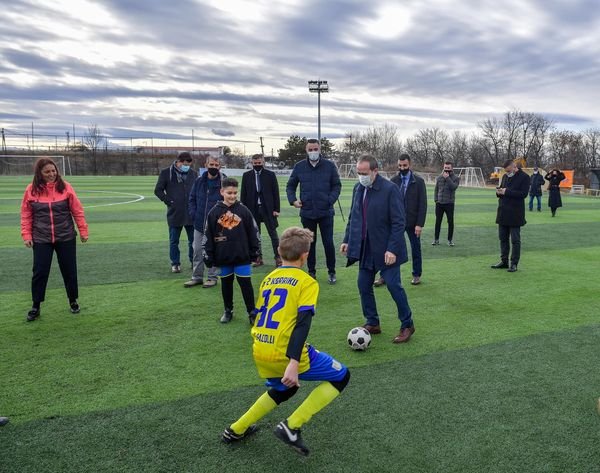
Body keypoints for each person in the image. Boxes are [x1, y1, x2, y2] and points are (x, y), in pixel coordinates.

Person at [221, 227, 350, 456]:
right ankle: (292, 426)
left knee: (284, 389)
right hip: (284, 351)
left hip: (260, 349)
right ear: (305, 256)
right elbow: (302, 324)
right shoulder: (306, 282)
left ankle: (236, 429)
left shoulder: (268, 279)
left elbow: (259, 315)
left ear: (279, 252)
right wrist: (293, 361)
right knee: (341, 375)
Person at [341, 155, 415, 343]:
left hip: (386, 249)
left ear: (375, 171)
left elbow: (399, 222)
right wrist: (347, 239)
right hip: (366, 248)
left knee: (393, 286)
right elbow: (353, 216)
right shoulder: (358, 188)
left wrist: (392, 249)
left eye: (364, 173)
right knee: (363, 284)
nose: (361, 176)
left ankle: (407, 324)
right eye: (358, 173)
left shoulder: (390, 189)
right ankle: (372, 322)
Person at [20, 158, 89, 321]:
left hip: (65, 236)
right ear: (39, 173)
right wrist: (26, 235)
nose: (51, 174)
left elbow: (77, 210)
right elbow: (26, 214)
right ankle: (36, 306)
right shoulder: (31, 190)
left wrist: (83, 230)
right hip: (41, 238)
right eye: (47, 172)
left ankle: (73, 301)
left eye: (53, 171)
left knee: (69, 270)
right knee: (39, 272)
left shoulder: (66, 187)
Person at [204, 178, 260, 324]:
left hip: (242, 256)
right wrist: (208, 255)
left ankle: (251, 312)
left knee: (246, 285)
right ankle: (228, 310)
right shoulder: (214, 212)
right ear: (222, 192)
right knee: (226, 285)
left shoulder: (244, 211)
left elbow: (254, 232)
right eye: (229, 193)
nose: (233, 196)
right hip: (223, 257)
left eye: (235, 193)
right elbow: (208, 235)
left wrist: (255, 252)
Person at [286, 139, 341, 284]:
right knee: (309, 244)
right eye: (310, 150)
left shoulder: (329, 166)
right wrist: (293, 200)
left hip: (326, 212)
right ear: (306, 150)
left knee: (328, 243)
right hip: (307, 212)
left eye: (315, 149)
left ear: (320, 149)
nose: (313, 152)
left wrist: (330, 200)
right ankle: (311, 272)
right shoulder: (299, 166)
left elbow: (336, 185)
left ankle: (332, 271)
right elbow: (290, 186)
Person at [382, 153, 427, 286]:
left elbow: (423, 204)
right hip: (396, 222)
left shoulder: (419, 182)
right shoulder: (393, 180)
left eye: (405, 165)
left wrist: (419, 224)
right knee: (389, 247)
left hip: (413, 222)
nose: (402, 168)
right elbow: (388, 202)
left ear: (410, 164)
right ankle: (384, 275)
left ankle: (416, 275)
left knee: (415, 248)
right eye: (400, 165)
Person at [154, 151, 198, 273]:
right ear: (178, 162)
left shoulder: (193, 174)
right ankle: (175, 264)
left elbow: (197, 190)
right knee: (174, 241)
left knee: (193, 241)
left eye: (189, 165)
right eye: (184, 164)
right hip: (175, 213)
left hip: (191, 213)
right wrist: (169, 201)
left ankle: (193, 262)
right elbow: (158, 190)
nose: (187, 167)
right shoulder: (166, 173)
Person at [184, 156, 223, 288]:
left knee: (214, 251)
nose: (214, 167)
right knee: (197, 250)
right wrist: (194, 215)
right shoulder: (199, 181)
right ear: (206, 165)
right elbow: (192, 198)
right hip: (199, 222)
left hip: (216, 224)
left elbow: (228, 201)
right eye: (211, 164)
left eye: (216, 165)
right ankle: (197, 277)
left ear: (219, 167)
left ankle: (212, 277)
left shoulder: (223, 182)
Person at [241, 154, 281, 267]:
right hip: (252, 209)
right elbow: (243, 194)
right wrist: (243, 210)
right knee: (255, 235)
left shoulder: (270, 175)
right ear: (252, 163)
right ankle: (258, 257)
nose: (257, 165)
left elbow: (275, 193)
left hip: (268, 209)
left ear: (263, 162)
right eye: (255, 163)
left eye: (259, 163)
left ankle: (278, 257)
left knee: (273, 234)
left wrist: (276, 209)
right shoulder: (246, 176)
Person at [491, 159, 530, 272]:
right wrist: (499, 192)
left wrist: (506, 192)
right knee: (503, 239)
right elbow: (502, 189)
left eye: (508, 171)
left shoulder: (525, 177)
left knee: (515, 240)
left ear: (514, 167)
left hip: (515, 213)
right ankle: (504, 261)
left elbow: (523, 194)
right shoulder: (505, 176)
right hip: (503, 212)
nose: (507, 173)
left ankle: (514, 264)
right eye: (506, 171)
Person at [432, 161, 460, 246]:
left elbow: (453, 187)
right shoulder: (439, 177)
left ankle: (450, 240)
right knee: (438, 222)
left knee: (450, 222)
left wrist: (447, 178)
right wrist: (436, 200)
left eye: (448, 168)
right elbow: (436, 189)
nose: (446, 169)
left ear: (452, 168)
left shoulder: (456, 178)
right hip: (439, 203)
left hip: (449, 203)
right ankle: (436, 239)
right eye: (445, 168)